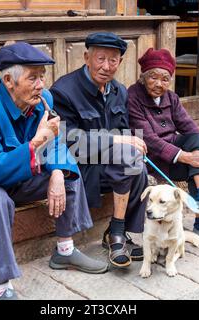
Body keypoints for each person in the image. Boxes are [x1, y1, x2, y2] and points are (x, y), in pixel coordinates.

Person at [0, 42, 108, 300]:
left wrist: (57, 171)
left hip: (15, 173)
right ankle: (2, 288)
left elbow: (55, 141)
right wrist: (35, 144)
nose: (41, 85)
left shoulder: (43, 100)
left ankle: (65, 250)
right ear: (8, 80)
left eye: (42, 77)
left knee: (68, 173)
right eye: (33, 78)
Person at [50, 32, 149, 268]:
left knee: (138, 165)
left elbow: (124, 131)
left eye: (113, 60)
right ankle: (116, 233)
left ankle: (117, 232)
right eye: (100, 58)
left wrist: (133, 142)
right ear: (86, 57)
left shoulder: (119, 91)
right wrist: (117, 142)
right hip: (81, 167)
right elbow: (69, 141)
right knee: (128, 158)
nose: (106, 66)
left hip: (111, 165)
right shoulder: (64, 91)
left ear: (120, 62)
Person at [127, 48, 199, 248]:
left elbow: (190, 127)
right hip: (154, 159)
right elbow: (149, 139)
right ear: (143, 77)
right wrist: (185, 156)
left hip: (175, 156)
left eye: (165, 79)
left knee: (197, 140)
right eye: (153, 77)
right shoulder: (133, 96)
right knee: (194, 162)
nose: (159, 84)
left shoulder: (171, 98)